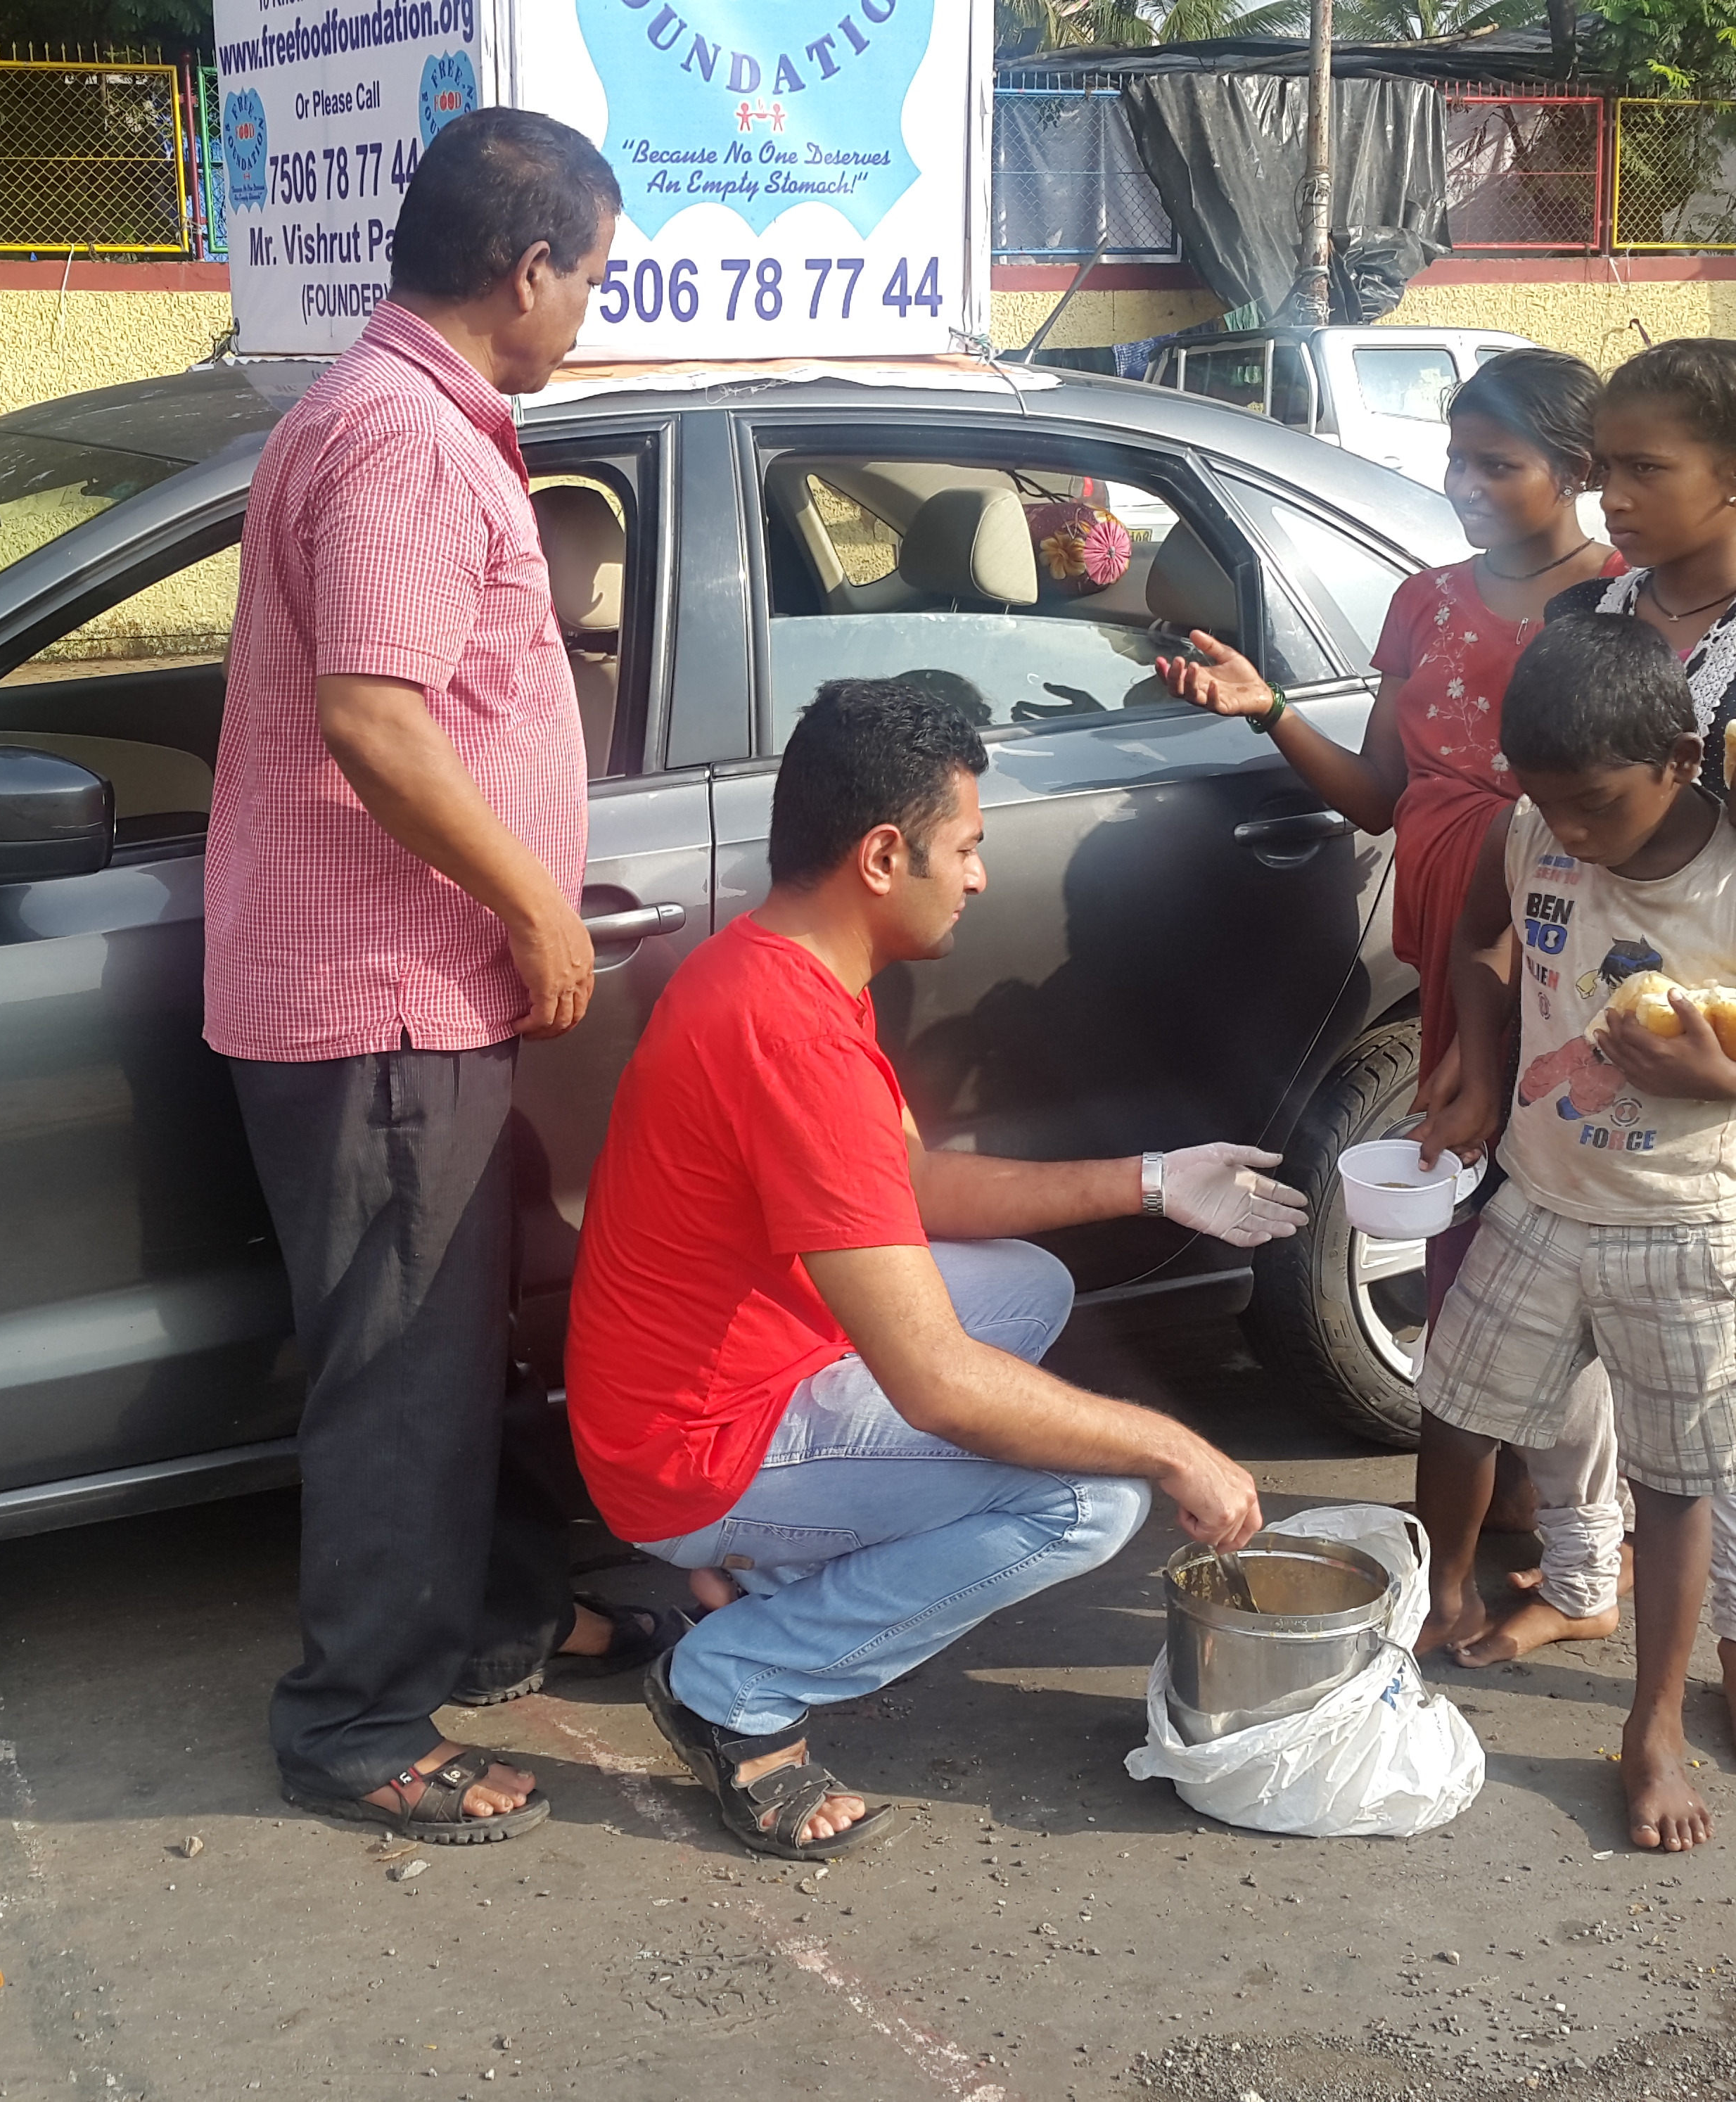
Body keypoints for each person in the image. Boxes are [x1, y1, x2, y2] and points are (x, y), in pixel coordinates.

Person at [563, 677, 1303, 1861]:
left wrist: (1155, 1179)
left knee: (1028, 1285)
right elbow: (937, 1385)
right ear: (880, 856)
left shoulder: (781, 965)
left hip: (727, 1374)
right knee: (1086, 1501)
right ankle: (737, 1683)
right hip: (692, 1453)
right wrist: (1176, 1447)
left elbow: (911, 1189)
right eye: (963, 847)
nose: (979, 876)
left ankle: (769, 1577)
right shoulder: (791, 1035)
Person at [203, 108, 656, 1847]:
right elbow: (376, 722)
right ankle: (354, 1724)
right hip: (384, 994)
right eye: (588, 280)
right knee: (401, 1368)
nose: (586, 316)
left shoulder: (392, 413)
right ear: (525, 267)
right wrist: (535, 910)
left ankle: (493, 1614)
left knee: (454, 1343)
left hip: (403, 992)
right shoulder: (402, 437)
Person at [1152, 348, 1631, 1656]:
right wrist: (1266, 711)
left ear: (1576, 472)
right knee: (1470, 1221)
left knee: (1550, 1234)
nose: (1465, 484)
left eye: (1498, 464)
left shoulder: (1615, 603)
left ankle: (1586, 1537)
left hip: (1557, 954)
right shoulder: (1425, 602)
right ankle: (1523, 1494)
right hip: (1446, 951)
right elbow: (1378, 796)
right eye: (1456, 459)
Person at [1472, 339, 1736, 1781]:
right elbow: (1536, 839)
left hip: (1725, 1081)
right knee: (1570, 1365)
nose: (1613, 497)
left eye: (1645, 468)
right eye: (1604, 469)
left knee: (1733, 1390)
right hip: (1575, 1066)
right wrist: (1482, 1050)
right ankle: (1585, 1578)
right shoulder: (1583, 613)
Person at [1415, 612, 1736, 1852]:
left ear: (1680, 758)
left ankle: (1651, 1726)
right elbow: (1480, 939)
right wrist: (1478, 1067)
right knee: (1456, 1407)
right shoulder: (1530, 832)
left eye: (1596, 804)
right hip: (1538, 1198)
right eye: (1548, 801)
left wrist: (1726, 1075)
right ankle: (1439, 1601)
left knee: (1678, 1481)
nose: (1574, 832)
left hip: (1681, 1228)